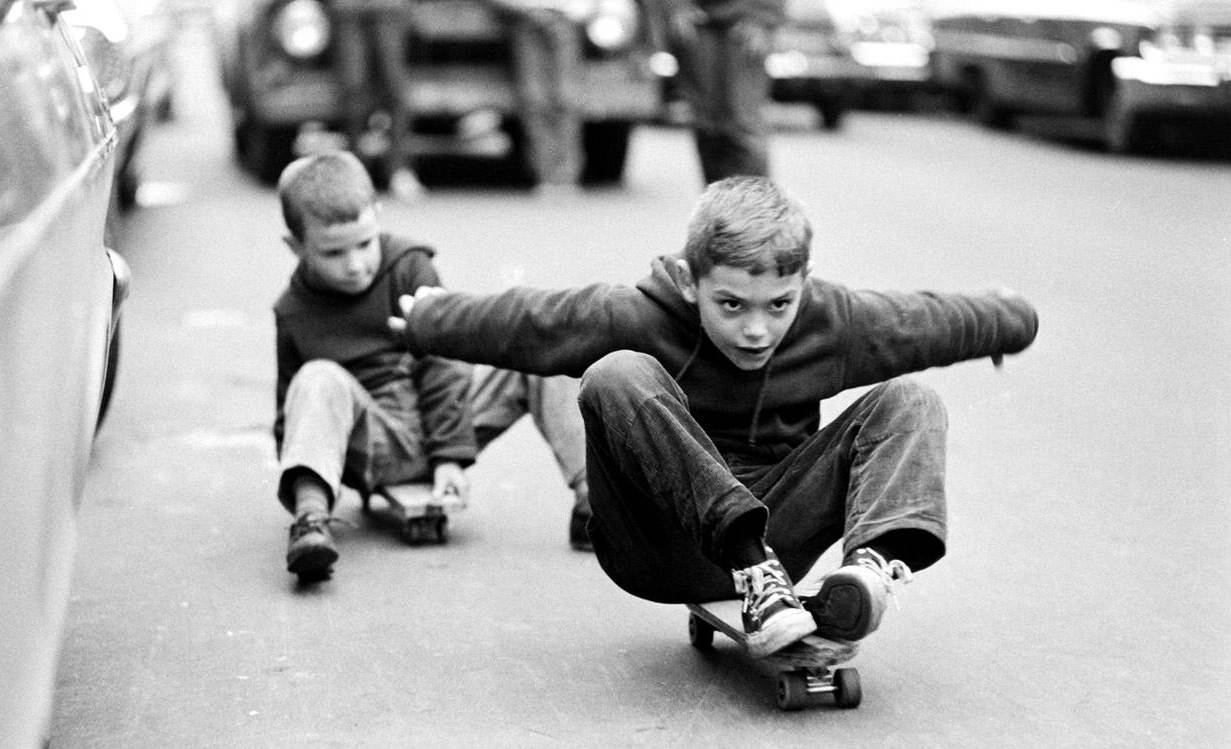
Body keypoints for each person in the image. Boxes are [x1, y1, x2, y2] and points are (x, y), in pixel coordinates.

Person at [389, 176, 1038, 656]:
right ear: (688, 279)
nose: (756, 329)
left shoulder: (830, 322)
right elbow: (530, 322)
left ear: (803, 282)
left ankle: (867, 572)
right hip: (656, 540)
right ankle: (748, 566)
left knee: (910, 399)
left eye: (777, 304)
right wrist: (424, 320)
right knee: (618, 371)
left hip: (781, 537)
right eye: (729, 304)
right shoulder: (639, 315)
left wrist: (1011, 320)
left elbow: (927, 322)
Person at [273, 151, 590, 583]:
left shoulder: (409, 266)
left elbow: (444, 360)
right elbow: (289, 417)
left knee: (542, 348)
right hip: (375, 441)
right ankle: (311, 523)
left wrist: (449, 457)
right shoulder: (293, 312)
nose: (354, 264)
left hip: (447, 417)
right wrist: (317, 472)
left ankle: (593, 499)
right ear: (295, 247)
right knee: (316, 379)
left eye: (364, 244)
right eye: (333, 252)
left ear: (377, 217)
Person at [659, 0, 783, 183]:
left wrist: (762, 17)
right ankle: (718, 203)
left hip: (745, 21)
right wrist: (675, 7)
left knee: (742, 123)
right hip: (697, 22)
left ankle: (755, 204)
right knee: (707, 124)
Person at [333, 0, 423, 199]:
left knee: (395, 89)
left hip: (388, 8)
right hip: (350, 10)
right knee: (353, 89)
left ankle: (399, 170)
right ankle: (354, 174)